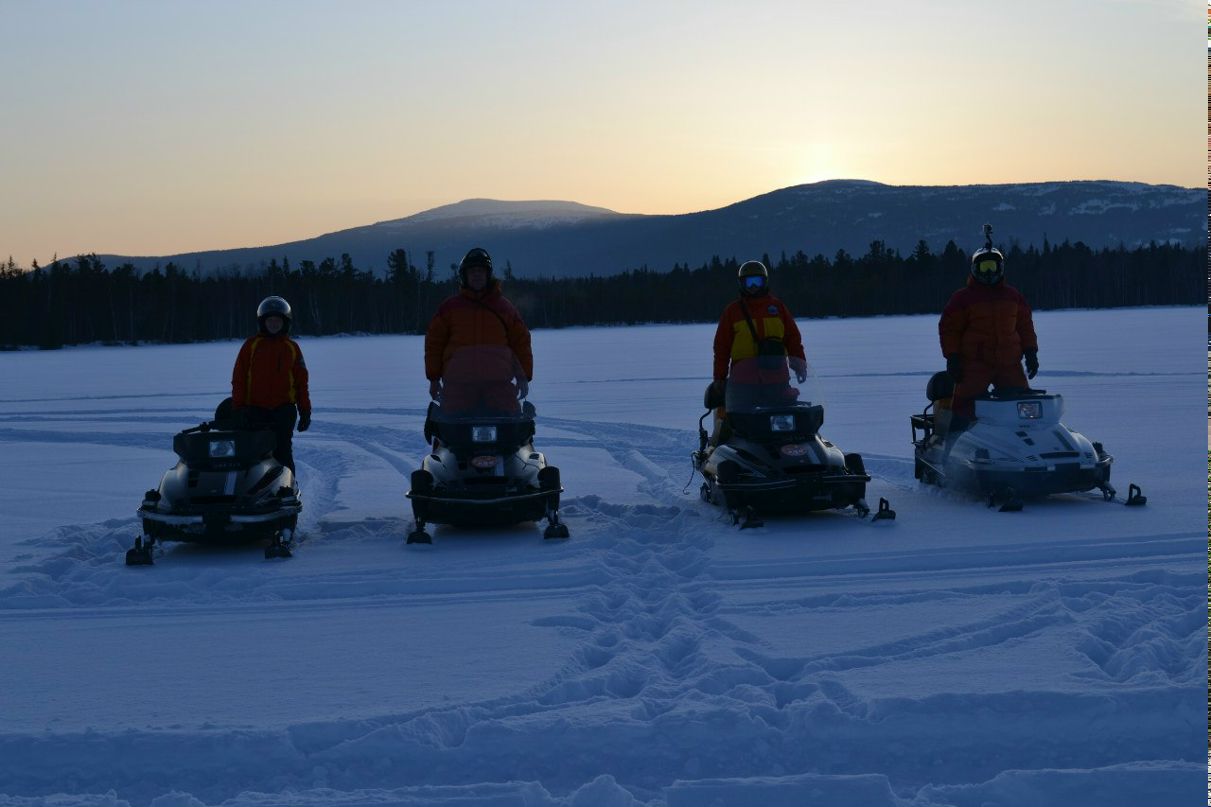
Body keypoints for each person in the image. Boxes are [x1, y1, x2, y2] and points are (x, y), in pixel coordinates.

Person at [938, 228, 1039, 426]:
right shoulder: (963, 298)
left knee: (1023, 406)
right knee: (964, 409)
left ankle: (1027, 446)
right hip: (975, 364)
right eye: (984, 267)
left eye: (992, 266)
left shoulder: (1012, 296)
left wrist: (1031, 352)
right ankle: (956, 446)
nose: (989, 272)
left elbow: (1025, 326)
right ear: (975, 269)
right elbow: (949, 329)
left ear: (1000, 267)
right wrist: (953, 358)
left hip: (1009, 364)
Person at [707, 260, 808, 442]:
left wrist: (799, 364)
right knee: (738, 427)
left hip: (777, 380)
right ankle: (720, 455)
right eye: (749, 282)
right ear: (742, 284)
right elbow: (721, 348)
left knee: (787, 426)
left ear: (765, 282)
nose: (753, 287)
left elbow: (793, 338)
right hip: (743, 383)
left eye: (757, 282)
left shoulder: (777, 308)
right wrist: (719, 379)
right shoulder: (733, 312)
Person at [424, 247, 533, 414]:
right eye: (472, 271)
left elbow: (521, 343)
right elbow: (434, 344)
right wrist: (433, 379)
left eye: (481, 271)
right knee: (448, 430)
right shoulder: (450, 308)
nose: (477, 275)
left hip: (498, 385)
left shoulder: (504, 308)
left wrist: (523, 376)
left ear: (488, 275)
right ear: (464, 275)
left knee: (515, 427)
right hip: (458, 387)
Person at [231, 296, 311, 472]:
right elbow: (239, 379)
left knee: (282, 451)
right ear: (263, 322)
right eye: (270, 320)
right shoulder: (251, 345)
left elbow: (301, 381)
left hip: (284, 409)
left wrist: (304, 410)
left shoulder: (292, 347)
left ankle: (287, 489)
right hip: (255, 409)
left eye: (278, 321)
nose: (274, 324)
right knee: (254, 453)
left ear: (285, 323)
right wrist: (238, 408)